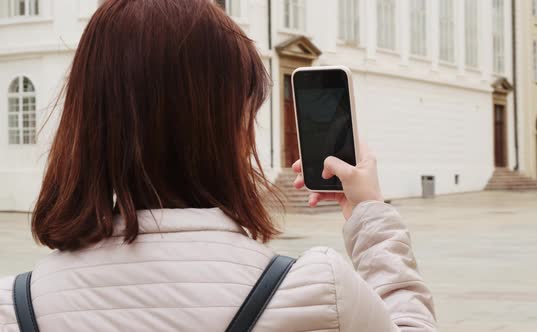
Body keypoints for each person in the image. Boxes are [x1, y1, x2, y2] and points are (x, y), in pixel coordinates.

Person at [0, 0, 436, 331]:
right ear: (228, 130)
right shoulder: (317, 289)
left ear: (86, 118)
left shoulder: (14, 307)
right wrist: (370, 215)